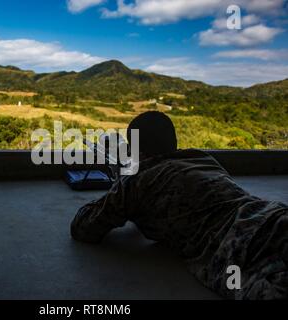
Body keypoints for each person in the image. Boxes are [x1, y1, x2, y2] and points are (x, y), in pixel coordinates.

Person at [70, 111, 288, 300]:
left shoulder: (137, 179)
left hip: (239, 247)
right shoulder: (202, 158)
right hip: (271, 213)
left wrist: (121, 185)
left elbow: (83, 227)